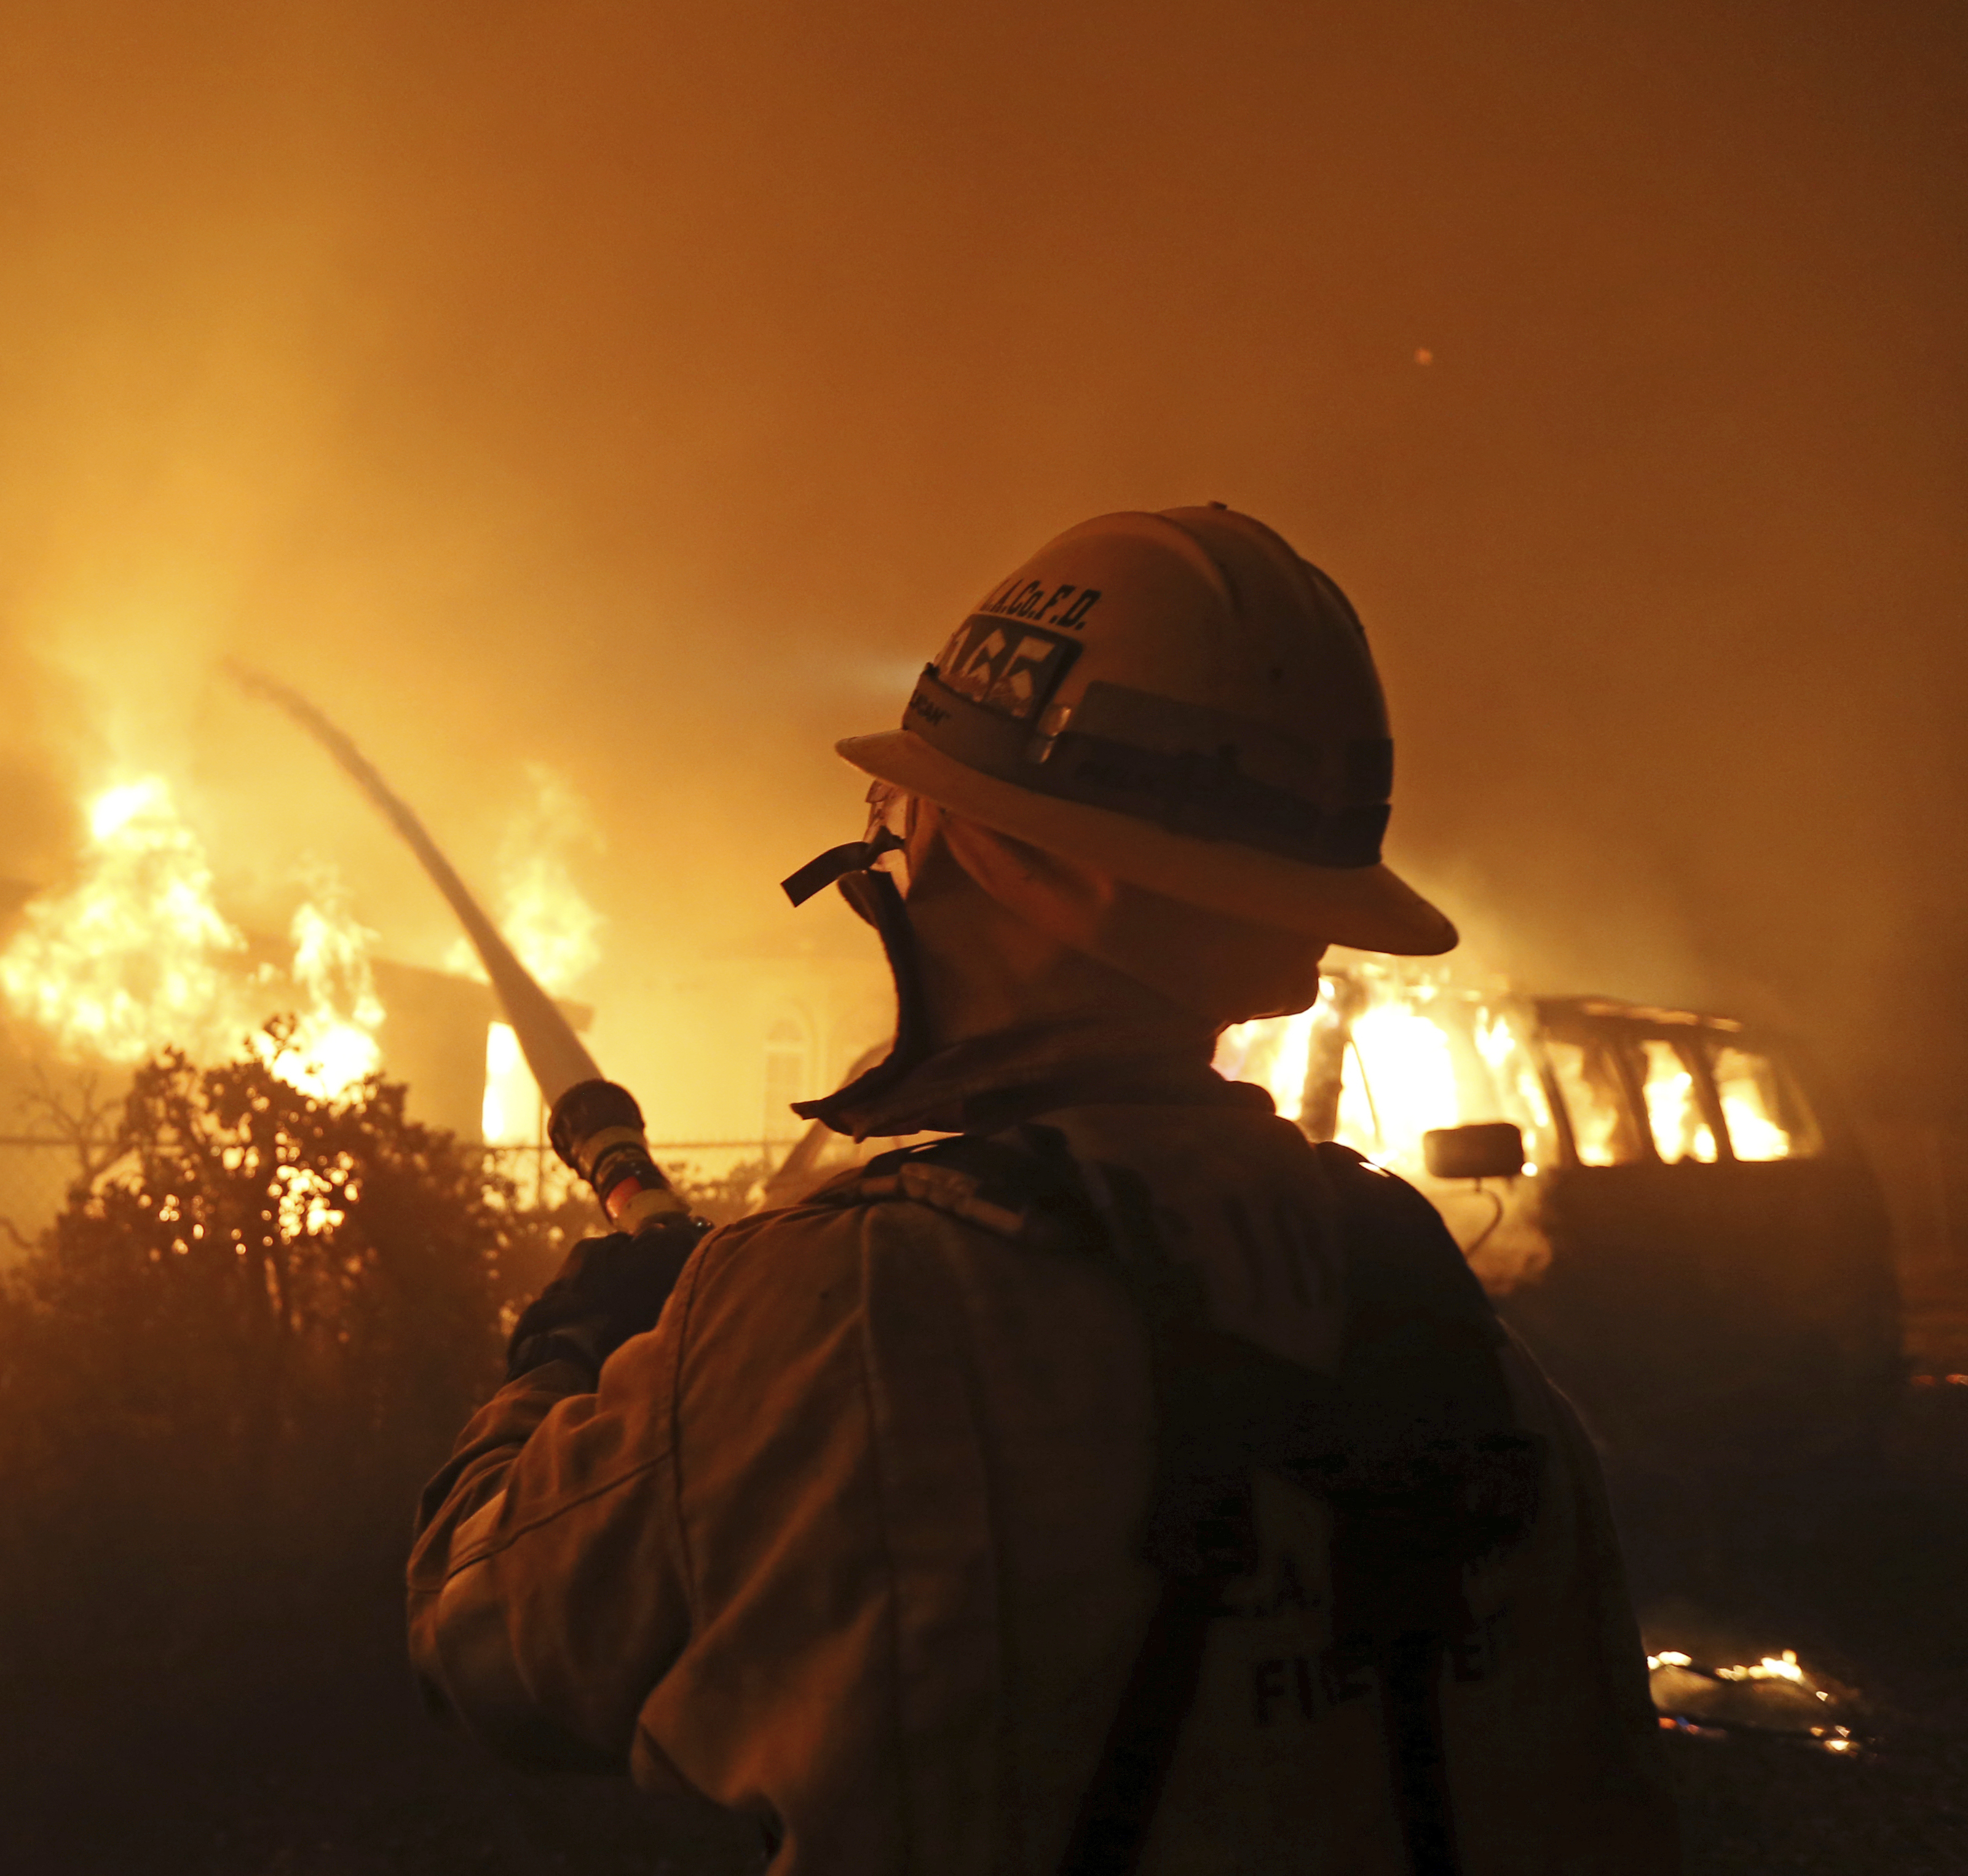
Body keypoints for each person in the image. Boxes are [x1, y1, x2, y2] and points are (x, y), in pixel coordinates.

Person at [406, 507, 1679, 1874]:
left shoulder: (851, 1303)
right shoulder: (1464, 1339)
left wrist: (576, 1349)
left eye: (894, 820)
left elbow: (487, 1634)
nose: (883, 866)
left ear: (1014, 856)